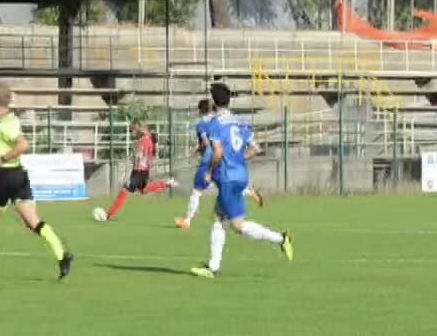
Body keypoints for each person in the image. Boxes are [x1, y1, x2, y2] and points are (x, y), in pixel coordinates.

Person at [0, 83, 74, 279]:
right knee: (32, 221)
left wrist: (3, 157)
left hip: (6, 175)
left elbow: (23, 144)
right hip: (19, 175)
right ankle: (61, 255)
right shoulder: (11, 119)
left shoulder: (4, 125)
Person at [190, 83, 293, 278]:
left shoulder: (214, 124)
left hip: (227, 177)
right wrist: (238, 159)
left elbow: (218, 152)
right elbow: (256, 148)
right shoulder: (239, 122)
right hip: (240, 175)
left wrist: (209, 171)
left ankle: (281, 238)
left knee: (238, 226)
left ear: (213, 102)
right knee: (218, 219)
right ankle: (213, 267)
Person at [175, 98, 264, 229]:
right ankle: (247, 191)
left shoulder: (203, 124)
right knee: (223, 187)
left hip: (210, 160)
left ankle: (187, 221)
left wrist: (197, 150)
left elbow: (205, 143)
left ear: (200, 110)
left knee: (197, 191)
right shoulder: (220, 120)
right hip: (224, 161)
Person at [101, 120, 177, 221]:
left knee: (124, 190)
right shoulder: (146, 138)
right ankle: (166, 184)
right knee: (143, 190)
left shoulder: (144, 139)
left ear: (137, 129)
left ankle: (108, 215)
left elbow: (139, 154)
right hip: (142, 171)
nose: (131, 133)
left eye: (131, 130)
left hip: (139, 171)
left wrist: (134, 159)